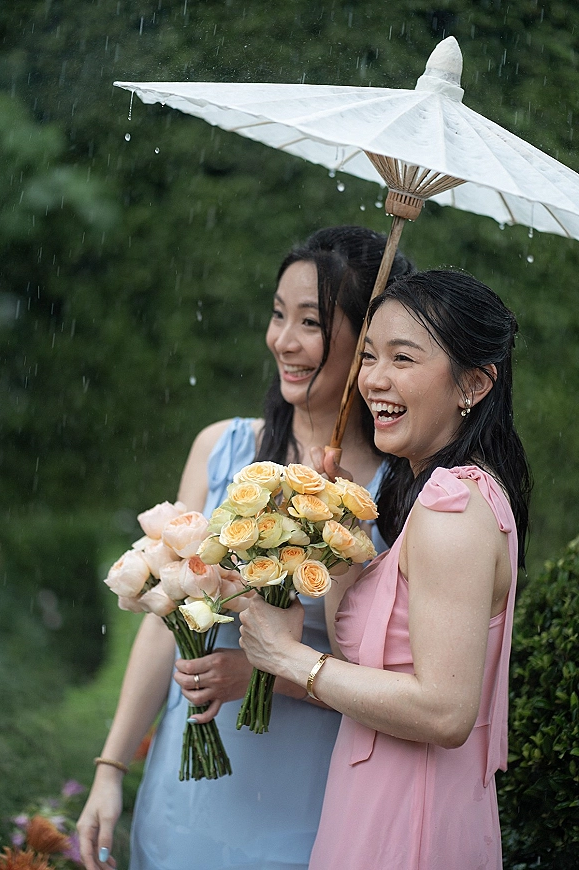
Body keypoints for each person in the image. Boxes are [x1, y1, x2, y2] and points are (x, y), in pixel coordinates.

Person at [77, 225, 413, 870]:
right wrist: (111, 767)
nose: (283, 341)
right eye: (278, 314)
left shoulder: (396, 495)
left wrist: (268, 675)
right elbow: (162, 622)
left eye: (310, 322)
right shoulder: (221, 448)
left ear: (366, 342)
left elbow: (400, 685)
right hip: (187, 801)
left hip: (309, 805)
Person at [238, 269, 532, 870]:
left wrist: (291, 659)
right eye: (369, 356)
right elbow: (379, 663)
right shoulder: (435, 494)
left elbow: (445, 712)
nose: (374, 379)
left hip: (410, 824)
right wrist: (332, 528)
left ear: (473, 384)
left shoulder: (453, 507)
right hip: (373, 802)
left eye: (403, 358)